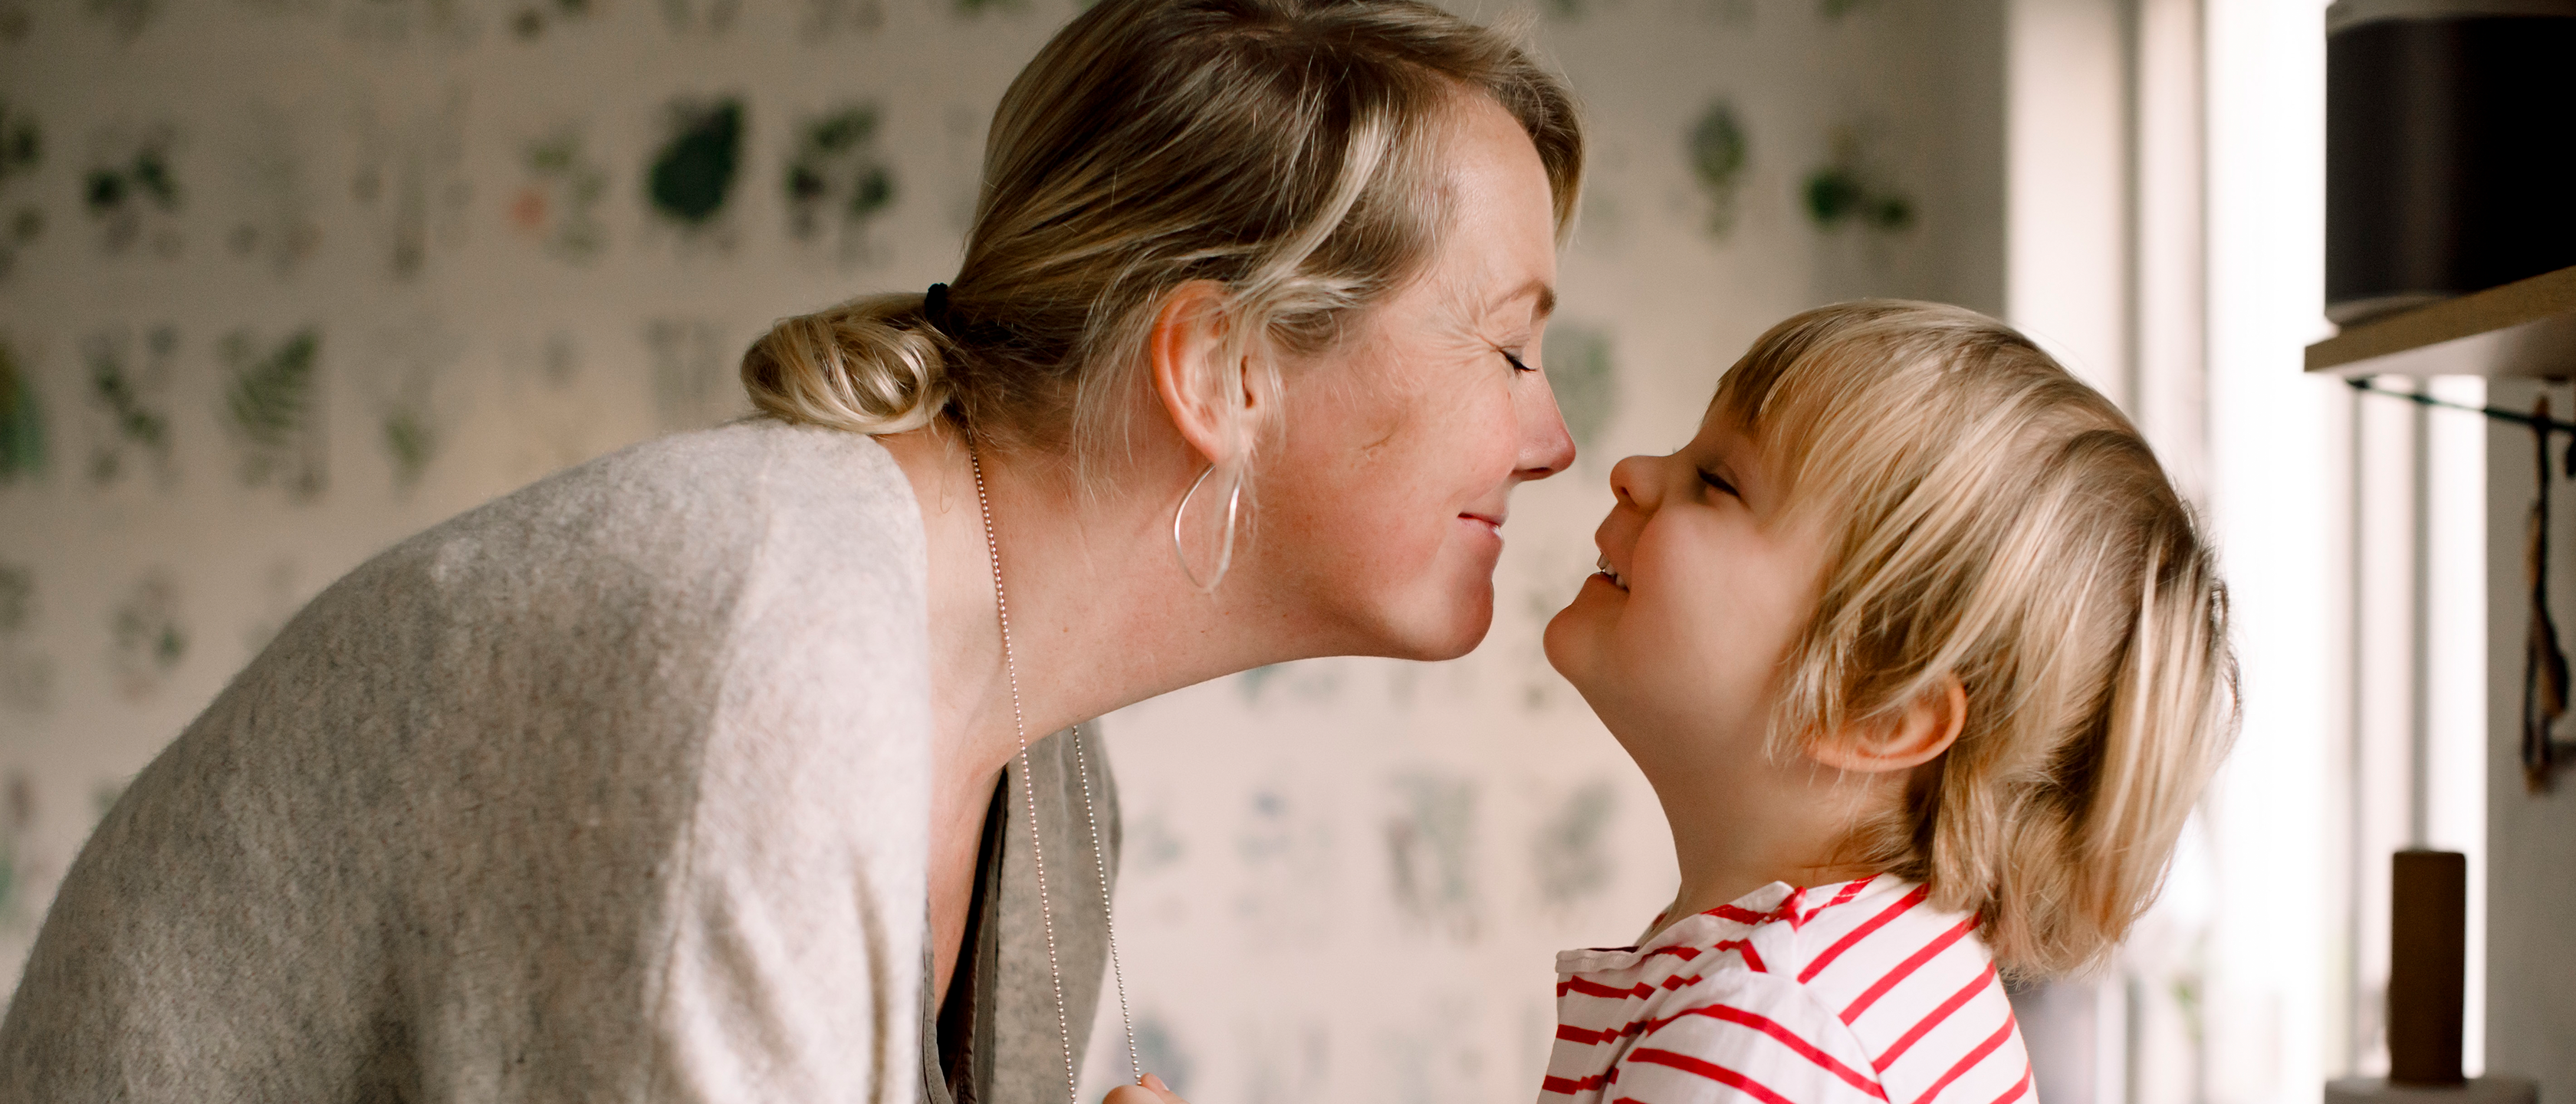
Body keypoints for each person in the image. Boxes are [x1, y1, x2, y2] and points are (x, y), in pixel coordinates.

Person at [0, 0, 1582, 1099]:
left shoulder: (1036, 759)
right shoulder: (764, 655)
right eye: (1511, 349)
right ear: (1224, 368)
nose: (1554, 438)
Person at [1533, 302, 2238, 1103]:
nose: (1634, 470)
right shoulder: (1876, 975)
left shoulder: (1762, 1030)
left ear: (1872, 710)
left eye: (1718, 482)